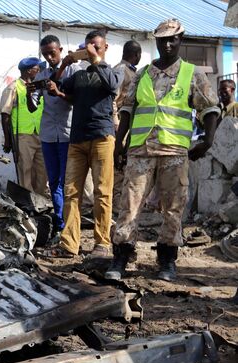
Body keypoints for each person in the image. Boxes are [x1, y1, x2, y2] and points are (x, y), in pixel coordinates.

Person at [106, 19, 220, 281]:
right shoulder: (143, 74)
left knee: (173, 207)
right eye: (162, 40)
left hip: (174, 151)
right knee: (130, 205)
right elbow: (127, 110)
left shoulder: (192, 74)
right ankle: (121, 256)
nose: (167, 44)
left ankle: (167, 260)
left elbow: (210, 108)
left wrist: (208, 140)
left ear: (180, 40)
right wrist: (119, 143)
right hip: (141, 150)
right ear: (156, 42)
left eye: (173, 39)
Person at [43, 30, 123, 258]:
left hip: (102, 138)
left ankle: (102, 243)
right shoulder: (79, 75)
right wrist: (63, 66)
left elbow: (111, 87)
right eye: (88, 46)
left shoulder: (112, 71)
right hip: (77, 140)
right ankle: (69, 245)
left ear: (105, 48)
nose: (91, 50)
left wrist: (94, 58)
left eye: (96, 47)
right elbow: (59, 86)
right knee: (71, 193)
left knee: (102, 193)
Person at [27, 35, 81, 243]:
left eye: (53, 52)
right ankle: (60, 225)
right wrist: (28, 93)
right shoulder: (41, 75)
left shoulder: (74, 71)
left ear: (60, 49)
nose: (49, 57)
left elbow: (76, 99)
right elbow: (33, 106)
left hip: (68, 134)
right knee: (54, 182)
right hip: (49, 135)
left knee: (69, 184)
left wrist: (58, 92)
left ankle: (69, 226)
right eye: (45, 54)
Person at [0, 57, 48, 195]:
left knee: (41, 170)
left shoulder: (40, 87)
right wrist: (8, 140)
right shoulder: (13, 87)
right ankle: (28, 201)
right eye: (37, 70)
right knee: (25, 169)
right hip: (22, 134)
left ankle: (40, 199)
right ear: (28, 71)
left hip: (40, 132)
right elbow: (5, 115)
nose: (39, 72)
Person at [112, 41, 142, 215]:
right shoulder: (121, 70)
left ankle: (123, 203)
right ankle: (117, 206)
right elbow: (113, 99)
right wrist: (116, 124)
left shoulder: (132, 71)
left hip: (130, 125)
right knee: (119, 165)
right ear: (136, 54)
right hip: (120, 124)